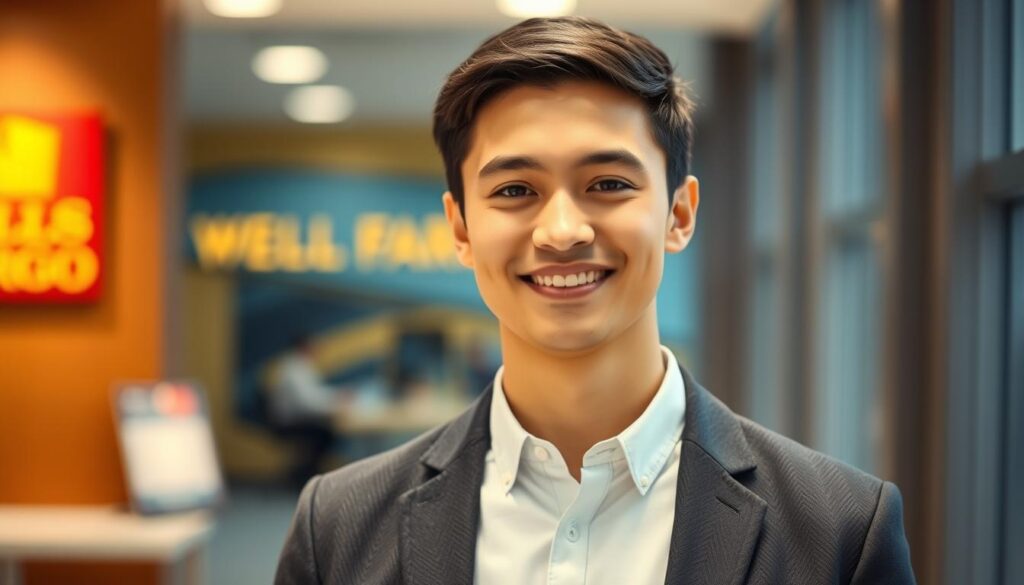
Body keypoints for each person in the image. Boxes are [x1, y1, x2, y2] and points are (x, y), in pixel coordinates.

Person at [275, 17, 915, 584]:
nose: (562, 231)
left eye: (607, 183)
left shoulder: (838, 532)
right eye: (514, 190)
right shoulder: (336, 527)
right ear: (462, 228)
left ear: (679, 213)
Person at [268, 335, 348, 485]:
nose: (318, 350)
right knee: (326, 435)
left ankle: (305, 472)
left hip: (297, 419)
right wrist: (336, 403)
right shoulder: (293, 370)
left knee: (326, 433)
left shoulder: (301, 367)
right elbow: (307, 404)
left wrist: (337, 397)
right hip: (290, 422)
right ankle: (305, 475)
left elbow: (315, 394)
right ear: (304, 348)